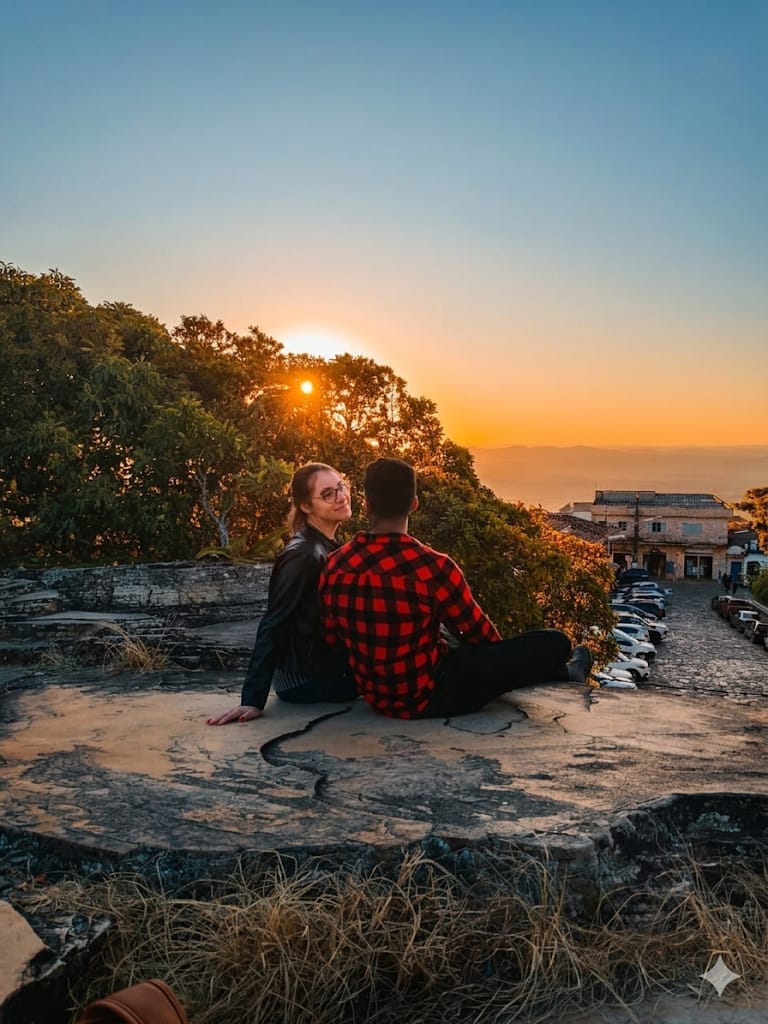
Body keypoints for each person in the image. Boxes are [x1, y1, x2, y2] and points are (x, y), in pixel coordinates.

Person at [318, 457, 592, 720]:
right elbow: (483, 639)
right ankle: (565, 674)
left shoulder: (335, 565)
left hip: (375, 695)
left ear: (367, 506)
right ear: (414, 504)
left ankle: (563, 674)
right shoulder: (433, 567)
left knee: (452, 646)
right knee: (556, 642)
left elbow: (332, 640)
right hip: (431, 696)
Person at [207, 463, 358, 725]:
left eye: (341, 487)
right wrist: (252, 699)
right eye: (327, 494)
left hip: (319, 668)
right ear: (306, 507)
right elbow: (275, 621)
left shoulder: (325, 545)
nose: (341, 497)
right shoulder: (303, 554)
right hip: (304, 680)